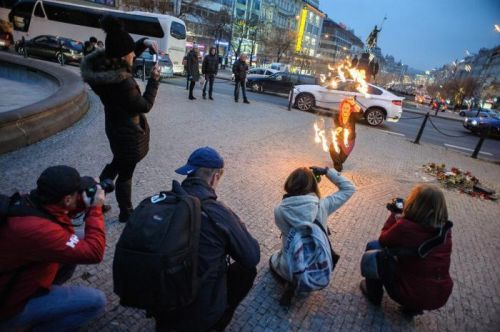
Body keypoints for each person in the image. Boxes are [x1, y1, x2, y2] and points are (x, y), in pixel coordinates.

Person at [154, 147, 260, 332]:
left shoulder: (163, 201)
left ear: (189, 172)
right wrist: (237, 223)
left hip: (161, 298)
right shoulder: (218, 212)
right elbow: (252, 256)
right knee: (246, 270)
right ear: (214, 177)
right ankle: (219, 319)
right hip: (199, 312)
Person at [0, 165, 107, 330]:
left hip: (17, 276)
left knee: (81, 237)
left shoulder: (32, 200)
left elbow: (57, 214)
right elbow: (94, 253)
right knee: (97, 301)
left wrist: (83, 202)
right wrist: (95, 209)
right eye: (77, 193)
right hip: (10, 307)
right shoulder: (37, 230)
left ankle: (51, 290)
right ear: (67, 199)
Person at [81, 15, 160, 223]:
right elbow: (145, 105)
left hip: (115, 127)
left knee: (116, 164)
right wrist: (154, 80)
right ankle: (127, 212)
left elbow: (125, 50)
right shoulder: (123, 85)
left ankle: (92, 198)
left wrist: (143, 42)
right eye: (131, 53)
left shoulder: (106, 69)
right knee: (125, 173)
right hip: (127, 134)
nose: (134, 54)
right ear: (123, 56)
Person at [359, 184, 453, 316]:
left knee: (374, 247)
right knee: (421, 267)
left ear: (414, 203)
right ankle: (412, 308)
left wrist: (394, 215)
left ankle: (374, 295)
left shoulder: (405, 227)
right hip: (439, 294)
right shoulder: (445, 231)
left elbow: (383, 240)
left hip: (409, 293)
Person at [269, 166, 355, 282]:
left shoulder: (279, 210)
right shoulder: (322, 206)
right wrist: (327, 172)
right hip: (318, 266)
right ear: (313, 186)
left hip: (290, 268)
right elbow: (349, 188)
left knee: (274, 257)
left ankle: (290, 279)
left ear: (289, 184)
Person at [329, 98, 363, 172]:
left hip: (349, 142)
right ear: (341, 108)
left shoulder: (353, 116)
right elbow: (337, 125)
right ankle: (337, 169)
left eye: (347, 108)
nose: (345, 110)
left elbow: (361, 114)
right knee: (332, 148)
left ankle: (338, 163)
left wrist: (354, 104)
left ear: (350, 109)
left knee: (341, 160)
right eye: (344, 108)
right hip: (339, 138)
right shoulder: (337, 115)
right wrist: (338, 128)